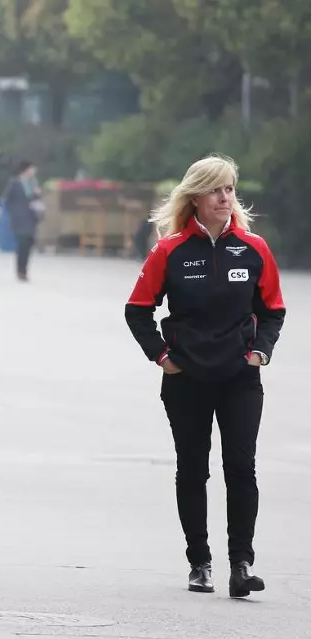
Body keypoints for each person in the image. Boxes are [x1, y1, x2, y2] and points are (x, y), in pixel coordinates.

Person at [124, 153, 285, 598]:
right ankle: (200, 562)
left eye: (230, 188)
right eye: (216, 189)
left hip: (239, 378)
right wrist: (162, 356)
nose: (225, 197)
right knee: (193, 470)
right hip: (187, 378)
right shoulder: (170, 250)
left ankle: (241, 564)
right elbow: (137, 310)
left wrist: (260, 352)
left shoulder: (254, 249)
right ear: (195, 197)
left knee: (241, 467)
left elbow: (272, 310)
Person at [1, 160, 44, 281]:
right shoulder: (15, 183)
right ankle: (20, 270)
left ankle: (25, 269)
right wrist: (14, 212)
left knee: (29, 243)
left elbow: (36, 199)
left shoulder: (33, 184)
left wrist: (37, 194)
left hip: (31, 217)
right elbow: (7, 200)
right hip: (19, 218)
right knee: (22, 243)